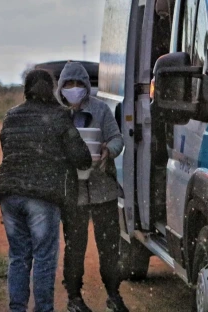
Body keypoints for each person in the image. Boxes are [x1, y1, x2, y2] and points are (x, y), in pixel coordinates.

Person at [0, 69, 92, 312]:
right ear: (51, 88)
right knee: (44, 258)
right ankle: (43, 309)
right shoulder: (59, 116)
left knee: (18, 256)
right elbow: (81, 157)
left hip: (10, 194)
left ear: (26, 89)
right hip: (43, 196)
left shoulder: (11, 116)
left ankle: (17, 309)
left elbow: (7, 147)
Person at [55, 62, 128, 312]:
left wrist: (109, 150)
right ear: (61, 87)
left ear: (86, 86)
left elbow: (117, 138)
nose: (74, 89)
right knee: (75, 247)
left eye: (78, 84)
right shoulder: (56, 114)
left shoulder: (100, 109)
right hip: (72, 194)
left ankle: (114, 294)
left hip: (103, 190)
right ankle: (74, 298)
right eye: (68, 84)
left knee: (109, 247)